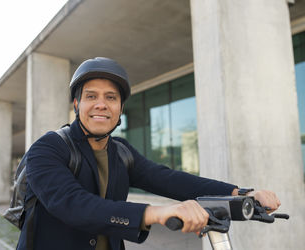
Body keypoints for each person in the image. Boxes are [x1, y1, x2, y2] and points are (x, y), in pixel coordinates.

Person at [17, 57, 280, 250]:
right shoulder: (48, 148)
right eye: (91, 96)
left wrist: (240, 193)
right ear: (77, 104)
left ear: (120, 109)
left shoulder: (120, 152)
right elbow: (72, 204)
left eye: (111, 97)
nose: (101, 104)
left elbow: (169, 179)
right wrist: (156, 213)